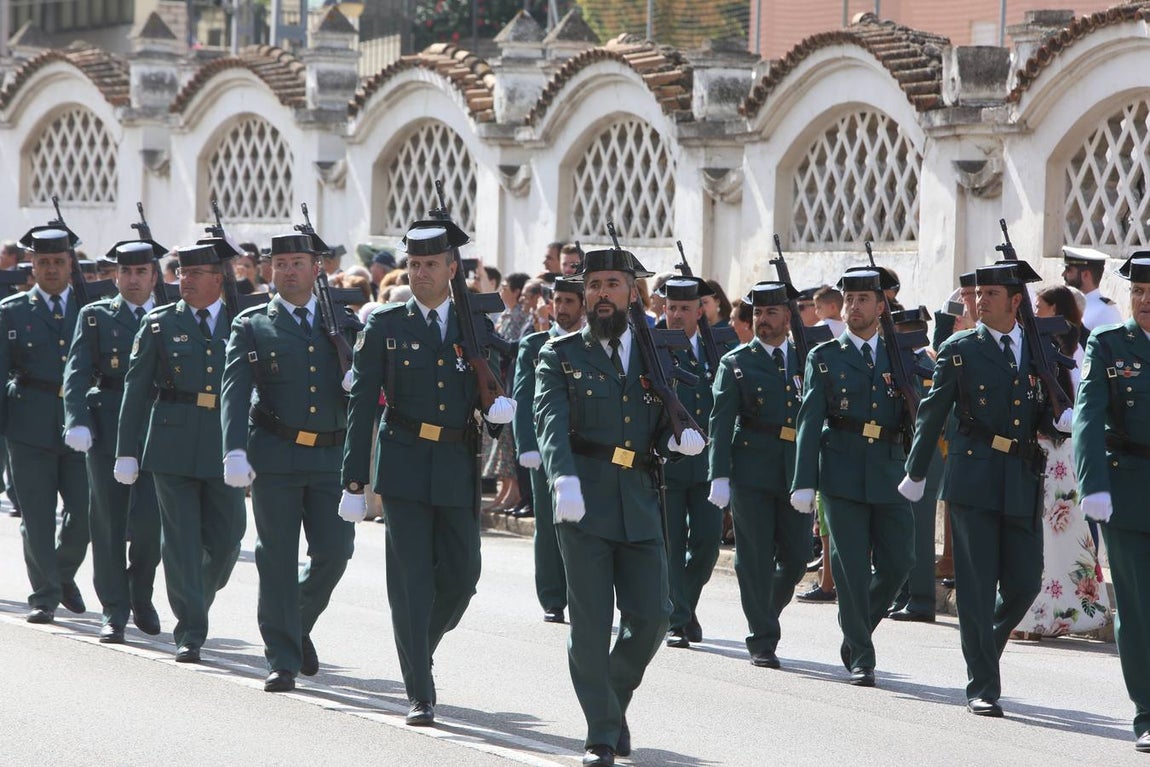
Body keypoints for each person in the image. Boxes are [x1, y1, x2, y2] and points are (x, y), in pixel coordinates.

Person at [338, 219, 515, 727]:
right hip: (404, 464)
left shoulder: (474, 326)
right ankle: (419, 686)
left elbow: (493, 391)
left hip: (457, 464)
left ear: (452, 269)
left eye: (430, 264)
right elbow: (362, 410)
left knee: (463, 578)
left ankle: (421, 645)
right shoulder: (386, 325)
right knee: (411, 582)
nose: (420, 273)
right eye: (413, 265)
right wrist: (355, 481)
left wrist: (501, 418)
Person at [534, 246, 704, 767]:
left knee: (654, 618)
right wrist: (561, 477)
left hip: (639, 498)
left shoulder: (658, 353)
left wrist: (683, 436)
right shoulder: (560, 354)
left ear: (634, 292)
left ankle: (608, 699)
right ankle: (601, 734)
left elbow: (680, 409)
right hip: (582, 501)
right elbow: (549, 421)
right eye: (594, 285)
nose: (602, 294)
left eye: (612, 283)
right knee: (589, 623)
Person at [901, 262, 1071, 717]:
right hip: (972, 476)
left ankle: (984, 646)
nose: (980, 302)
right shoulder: (961, 348)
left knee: (1024, 582)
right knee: (976, 587)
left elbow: (1049, 407)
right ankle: (983, 683)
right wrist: (916, 472)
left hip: (1020, 476)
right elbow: (932, 414)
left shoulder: (1039, 348)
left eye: (991, 294)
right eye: (977, 294)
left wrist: (1060, 420)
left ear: (1016, 302)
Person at [220, 233, 358, 692]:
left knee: (335, 553)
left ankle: (295, 621)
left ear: (317, 268)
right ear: (268, 271)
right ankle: (281, 656)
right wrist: (234, 449)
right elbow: (235, 392)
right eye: (280, 264)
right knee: (276, 559)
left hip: (330, 457)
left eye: (298, 262)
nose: (289, 271)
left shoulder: (345, 322)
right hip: (275, 456)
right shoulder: (252, 323)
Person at [115, 243, 247, 663]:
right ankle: (190, 629)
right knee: (182, 543)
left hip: (226, 444)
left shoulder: (242, 322)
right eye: (180, 273)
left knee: (227, 541)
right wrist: (125, 451)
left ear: (219, 278)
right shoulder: (158, 325)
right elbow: (136, 393)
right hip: (171, 442)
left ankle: (196, 597)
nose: (184, 280)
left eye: (195, 273)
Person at [791, 269, 915, 687]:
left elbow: (921, 411)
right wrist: (804, 481)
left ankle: (856, 626)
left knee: (900, 563)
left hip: (890, 468)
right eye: (849, 300)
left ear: (882, 307)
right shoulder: (824, 356)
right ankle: (862, 653)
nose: (855, 307)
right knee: (850, 571)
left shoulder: (902, 354)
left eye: (864, 300)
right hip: (841, 471)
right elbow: (810, 420)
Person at [61, 240, 165, 643]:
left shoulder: (167, 316)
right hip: (106, 428)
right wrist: (78, 420)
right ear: (115, 275)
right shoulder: (95, 316)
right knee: (106, 524)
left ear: (154, 277)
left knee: (149, 525)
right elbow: (76, 373)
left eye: (142, 272)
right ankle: (114, 610)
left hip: (155, 429)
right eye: (127, 272)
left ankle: (141, 594)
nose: (134, 279)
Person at [709, 281, 811, 667]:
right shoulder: (736, 363)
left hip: (794, 470)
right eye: (757, 314)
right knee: (753, 558)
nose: (763, 321)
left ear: (788, 316)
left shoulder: (807, 359)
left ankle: (764, 609)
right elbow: (720, 423)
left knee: (798, 558)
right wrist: (718, 474)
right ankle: (762, 637)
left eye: (771, 313)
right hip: (751, 470)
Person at [1074, 253, 1150, 753]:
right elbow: (1088, 416)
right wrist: (1093, 485)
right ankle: (1146, 709)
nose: (1146, 301)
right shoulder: (1108, 343)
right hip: (1130, 488)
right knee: (1139, 606)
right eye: (1139, 292)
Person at [0, 225, 91, 623]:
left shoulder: (91, 309)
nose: (51, 269)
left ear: (71, 264)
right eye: (43, 262)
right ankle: (44, 595)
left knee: (85, 514)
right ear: (31, 266)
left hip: (81, 423)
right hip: (29, 423)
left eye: (58, 261)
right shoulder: (12, 311)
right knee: (36, 516)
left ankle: (62, 572)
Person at [1012, 285, 1109, 637]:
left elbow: (1077, 397)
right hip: (1040, 450)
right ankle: (1030, 617)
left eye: (1040, 306)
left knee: (1058, 539)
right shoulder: (1032, 345)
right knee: (1033, 540)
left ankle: (1055, 616)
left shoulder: (1072, 349)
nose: (1035, 311)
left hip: (1057, 453)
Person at [655, 276, 729, 648]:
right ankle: (677, 618)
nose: (676, 315)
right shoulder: (652, 346)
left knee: (706, 545)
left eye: (685, 308)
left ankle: (684, 607)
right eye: (671, 308)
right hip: (669, 461)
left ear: (700, 312)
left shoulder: (720, 346)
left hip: (708, 464)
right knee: (670, 543)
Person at [512, 277, 584, 620]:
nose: (563, 308)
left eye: (570, 301)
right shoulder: (535, 344)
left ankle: (584, 592)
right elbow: (523, 397)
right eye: (559, 301)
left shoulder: (593, 345)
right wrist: (527, 444)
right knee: (548, 523)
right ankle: (553, 598)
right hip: (547, 447)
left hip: (588, 447)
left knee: (586, 525)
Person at [886, 306, 941, 623]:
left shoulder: (925, 365)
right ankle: (905, 593)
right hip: (906, 450)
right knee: (903, 530)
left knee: (919, 532)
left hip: (926, 455)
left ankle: (922, 599)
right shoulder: (909, 363)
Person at [1062, 246, 1121, 340]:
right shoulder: (1070, 303)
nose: (1063, 274)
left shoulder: (1105, 311)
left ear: (1085, 275)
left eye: (1069, 270)